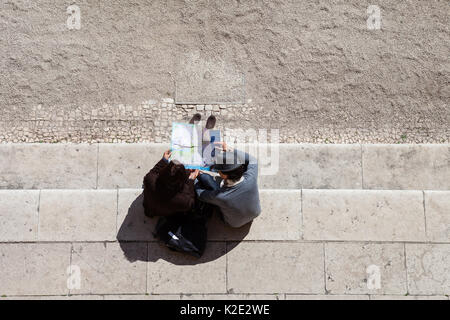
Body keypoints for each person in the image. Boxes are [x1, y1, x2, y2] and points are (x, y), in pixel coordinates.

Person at [195, 142, 261, 228]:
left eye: (219, 170)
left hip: (234, 224)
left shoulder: (221, 196)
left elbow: (201, 195)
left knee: (205, 178)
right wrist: (230, 151)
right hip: (255, 213)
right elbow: (253, 160)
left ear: (225, 175)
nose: (218, 171)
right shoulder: (251, 177)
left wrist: (193, 179)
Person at [142, 149, 199, 217]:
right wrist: (191, 180)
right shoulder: (183, 200)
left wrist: (164, 160)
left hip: (149, 208)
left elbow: (154, 171)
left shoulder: (150, 179)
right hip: (165, 212)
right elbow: (190, 202)